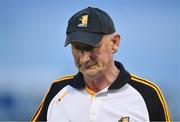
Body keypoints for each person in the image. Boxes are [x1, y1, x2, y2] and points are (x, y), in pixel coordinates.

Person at [31, 7, 171, 122]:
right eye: (77, 47)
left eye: (92, 47)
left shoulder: (148, 95)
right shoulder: (57, 92)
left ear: (114, 43)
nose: (84, 58)